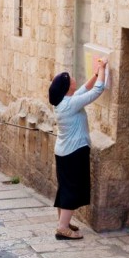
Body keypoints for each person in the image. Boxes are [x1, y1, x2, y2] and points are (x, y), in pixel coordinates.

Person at [48, 59, 108, 240]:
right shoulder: (69, 104)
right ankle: (63, 228)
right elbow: (97, 90)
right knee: (71, 189)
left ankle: (63, 222)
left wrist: (97, 73)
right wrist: (104, 69)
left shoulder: (65, 101)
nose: (74, 79)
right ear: (67, 87)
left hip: (64, 151)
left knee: (65, 188)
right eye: (70, 78)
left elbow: (84, 89)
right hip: (74, 152)